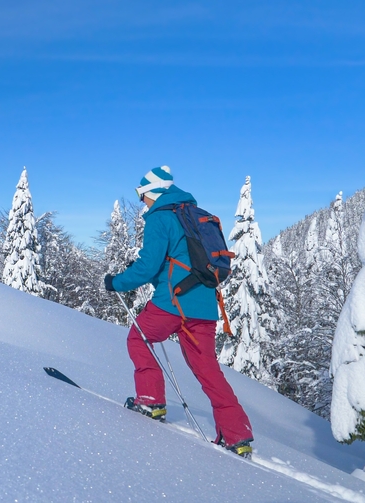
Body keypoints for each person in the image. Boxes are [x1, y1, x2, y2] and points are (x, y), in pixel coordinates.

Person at [104, 166, 254, 457]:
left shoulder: (160, 218)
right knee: (208, 371)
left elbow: (148, 267)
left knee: (139, 339)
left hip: (172, 303)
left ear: (155, 192)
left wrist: (116, 282)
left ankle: (150, 400)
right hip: (205, 308)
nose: (141, 200)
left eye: (142, 193)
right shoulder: (194, 215)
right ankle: (238, 435)